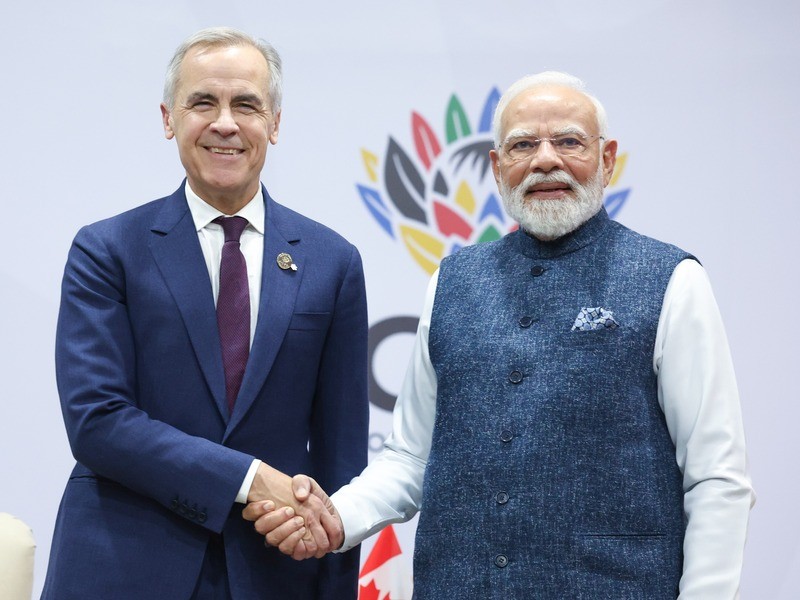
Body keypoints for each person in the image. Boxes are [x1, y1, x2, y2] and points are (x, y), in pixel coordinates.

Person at [247, 71, 755, 598]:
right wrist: (335, 518)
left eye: (569, 141)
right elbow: (411, 457)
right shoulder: (452, 281)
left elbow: (716, 477)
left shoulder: (671, 279)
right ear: (496, 168)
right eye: (523, 145)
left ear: (607, 160)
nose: (545, 160)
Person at [42, 27, 367, 599]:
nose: (225, 123)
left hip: (274, 574)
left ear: (275, 123)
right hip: (122, 568)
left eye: (246, 105)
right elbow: (97, 420)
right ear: (169, 118)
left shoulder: (333, 262)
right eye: (202, 102)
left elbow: (341, 464)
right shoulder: (108, 249)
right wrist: (248, 479)